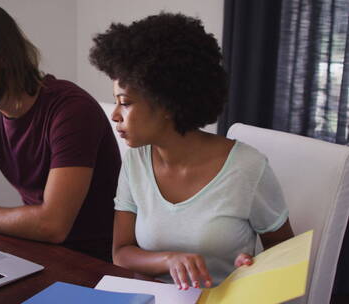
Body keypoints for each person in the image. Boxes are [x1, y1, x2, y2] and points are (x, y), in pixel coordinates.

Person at [89, 12, 295, 288]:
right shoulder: (136, 161)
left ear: (165, 103)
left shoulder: (247, 168)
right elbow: (121, 253)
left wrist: (252, 269)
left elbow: (286, 258)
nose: (115, 115)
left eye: (125, 102)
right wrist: (169, 260)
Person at [0, 4, 121, 262]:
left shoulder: (71, 110)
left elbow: (53, 225)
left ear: (4, 57)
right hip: (37, 251)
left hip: (92, 263)